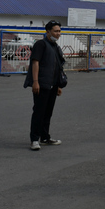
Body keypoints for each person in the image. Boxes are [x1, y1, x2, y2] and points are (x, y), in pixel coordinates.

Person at [23, 20, 66, 151]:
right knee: (39, 112)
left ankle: (45, 137)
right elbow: (35, 63)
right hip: (41, 84)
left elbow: (58, 67)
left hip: (52, 85)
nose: (58, 33)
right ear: (48, 32)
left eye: (59, 31)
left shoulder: (55, 46)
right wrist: (35, 82)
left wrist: (58, 85)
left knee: (48, 113)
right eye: (55, 31)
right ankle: (34, 139)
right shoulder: (41, 44)